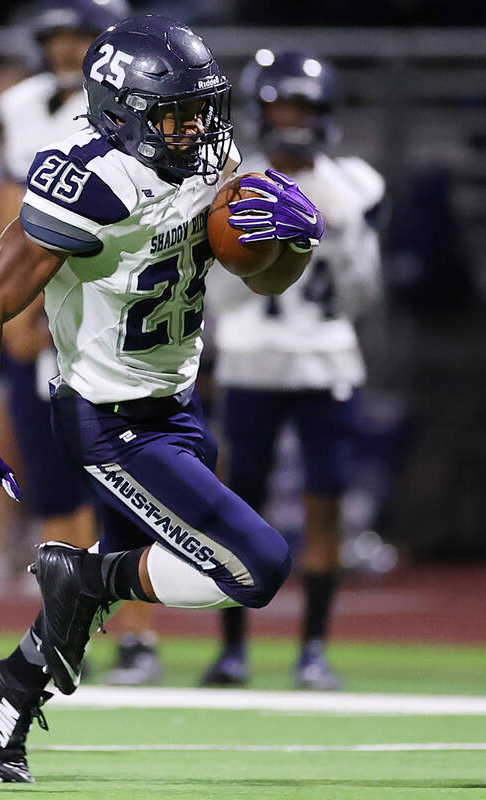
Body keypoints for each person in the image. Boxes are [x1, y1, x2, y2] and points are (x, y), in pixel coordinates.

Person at [0, 15, 324, 782]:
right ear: (119, 111)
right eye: (173, 114)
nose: (195, 129)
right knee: (255, 568)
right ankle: (79, 575)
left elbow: (260, 276)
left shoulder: (213, 151)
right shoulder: (90, 178)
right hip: (107, 419)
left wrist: (293, 245)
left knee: (83, 614)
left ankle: (11, 688)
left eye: (201, 109)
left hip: (176, 405)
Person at [200, 50, 385, 691]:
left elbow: (361, 295)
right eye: (281, 107)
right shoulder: (236, 184)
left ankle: (313, 650)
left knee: (325, 503)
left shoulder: (356, 185)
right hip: (251, 359)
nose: (291, 120)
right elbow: (219, 292)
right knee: (235, 508)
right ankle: (232, 650)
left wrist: (344, 232)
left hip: (327, 358)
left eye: (302, 108)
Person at [0, 0, 164, 686]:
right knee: (57, 484)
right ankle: (63, 630)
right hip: (50, 296)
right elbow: (14, 216)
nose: (67, 50)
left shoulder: (155, 97)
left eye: (79, 37)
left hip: (120, 303)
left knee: (130, 489)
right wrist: (17, 310)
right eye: (57, 37)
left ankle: (139, 635)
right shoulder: (22, 106)